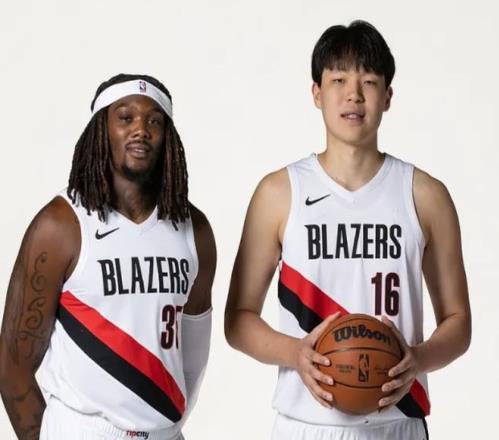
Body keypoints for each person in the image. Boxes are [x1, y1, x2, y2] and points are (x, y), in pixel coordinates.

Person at [225, 20, 471, 440]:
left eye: (369, 81)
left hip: (397, 424)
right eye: (338, 80)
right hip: (306, 426)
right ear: (316, 93)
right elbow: (237, 319)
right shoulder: (279, 193)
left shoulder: (425, 195)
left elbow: (458, 320)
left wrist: (419, 358)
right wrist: (296, 353)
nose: (354, 94)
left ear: (388, 96)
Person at [0, 73, 216, 440]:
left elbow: (193, 359)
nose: (141, 129)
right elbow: (13, 368)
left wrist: (169, 424)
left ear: (168, 138)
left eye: (154, 121)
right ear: (101, 130)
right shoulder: (61, 226)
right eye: (125, 117)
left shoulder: (194, 230)